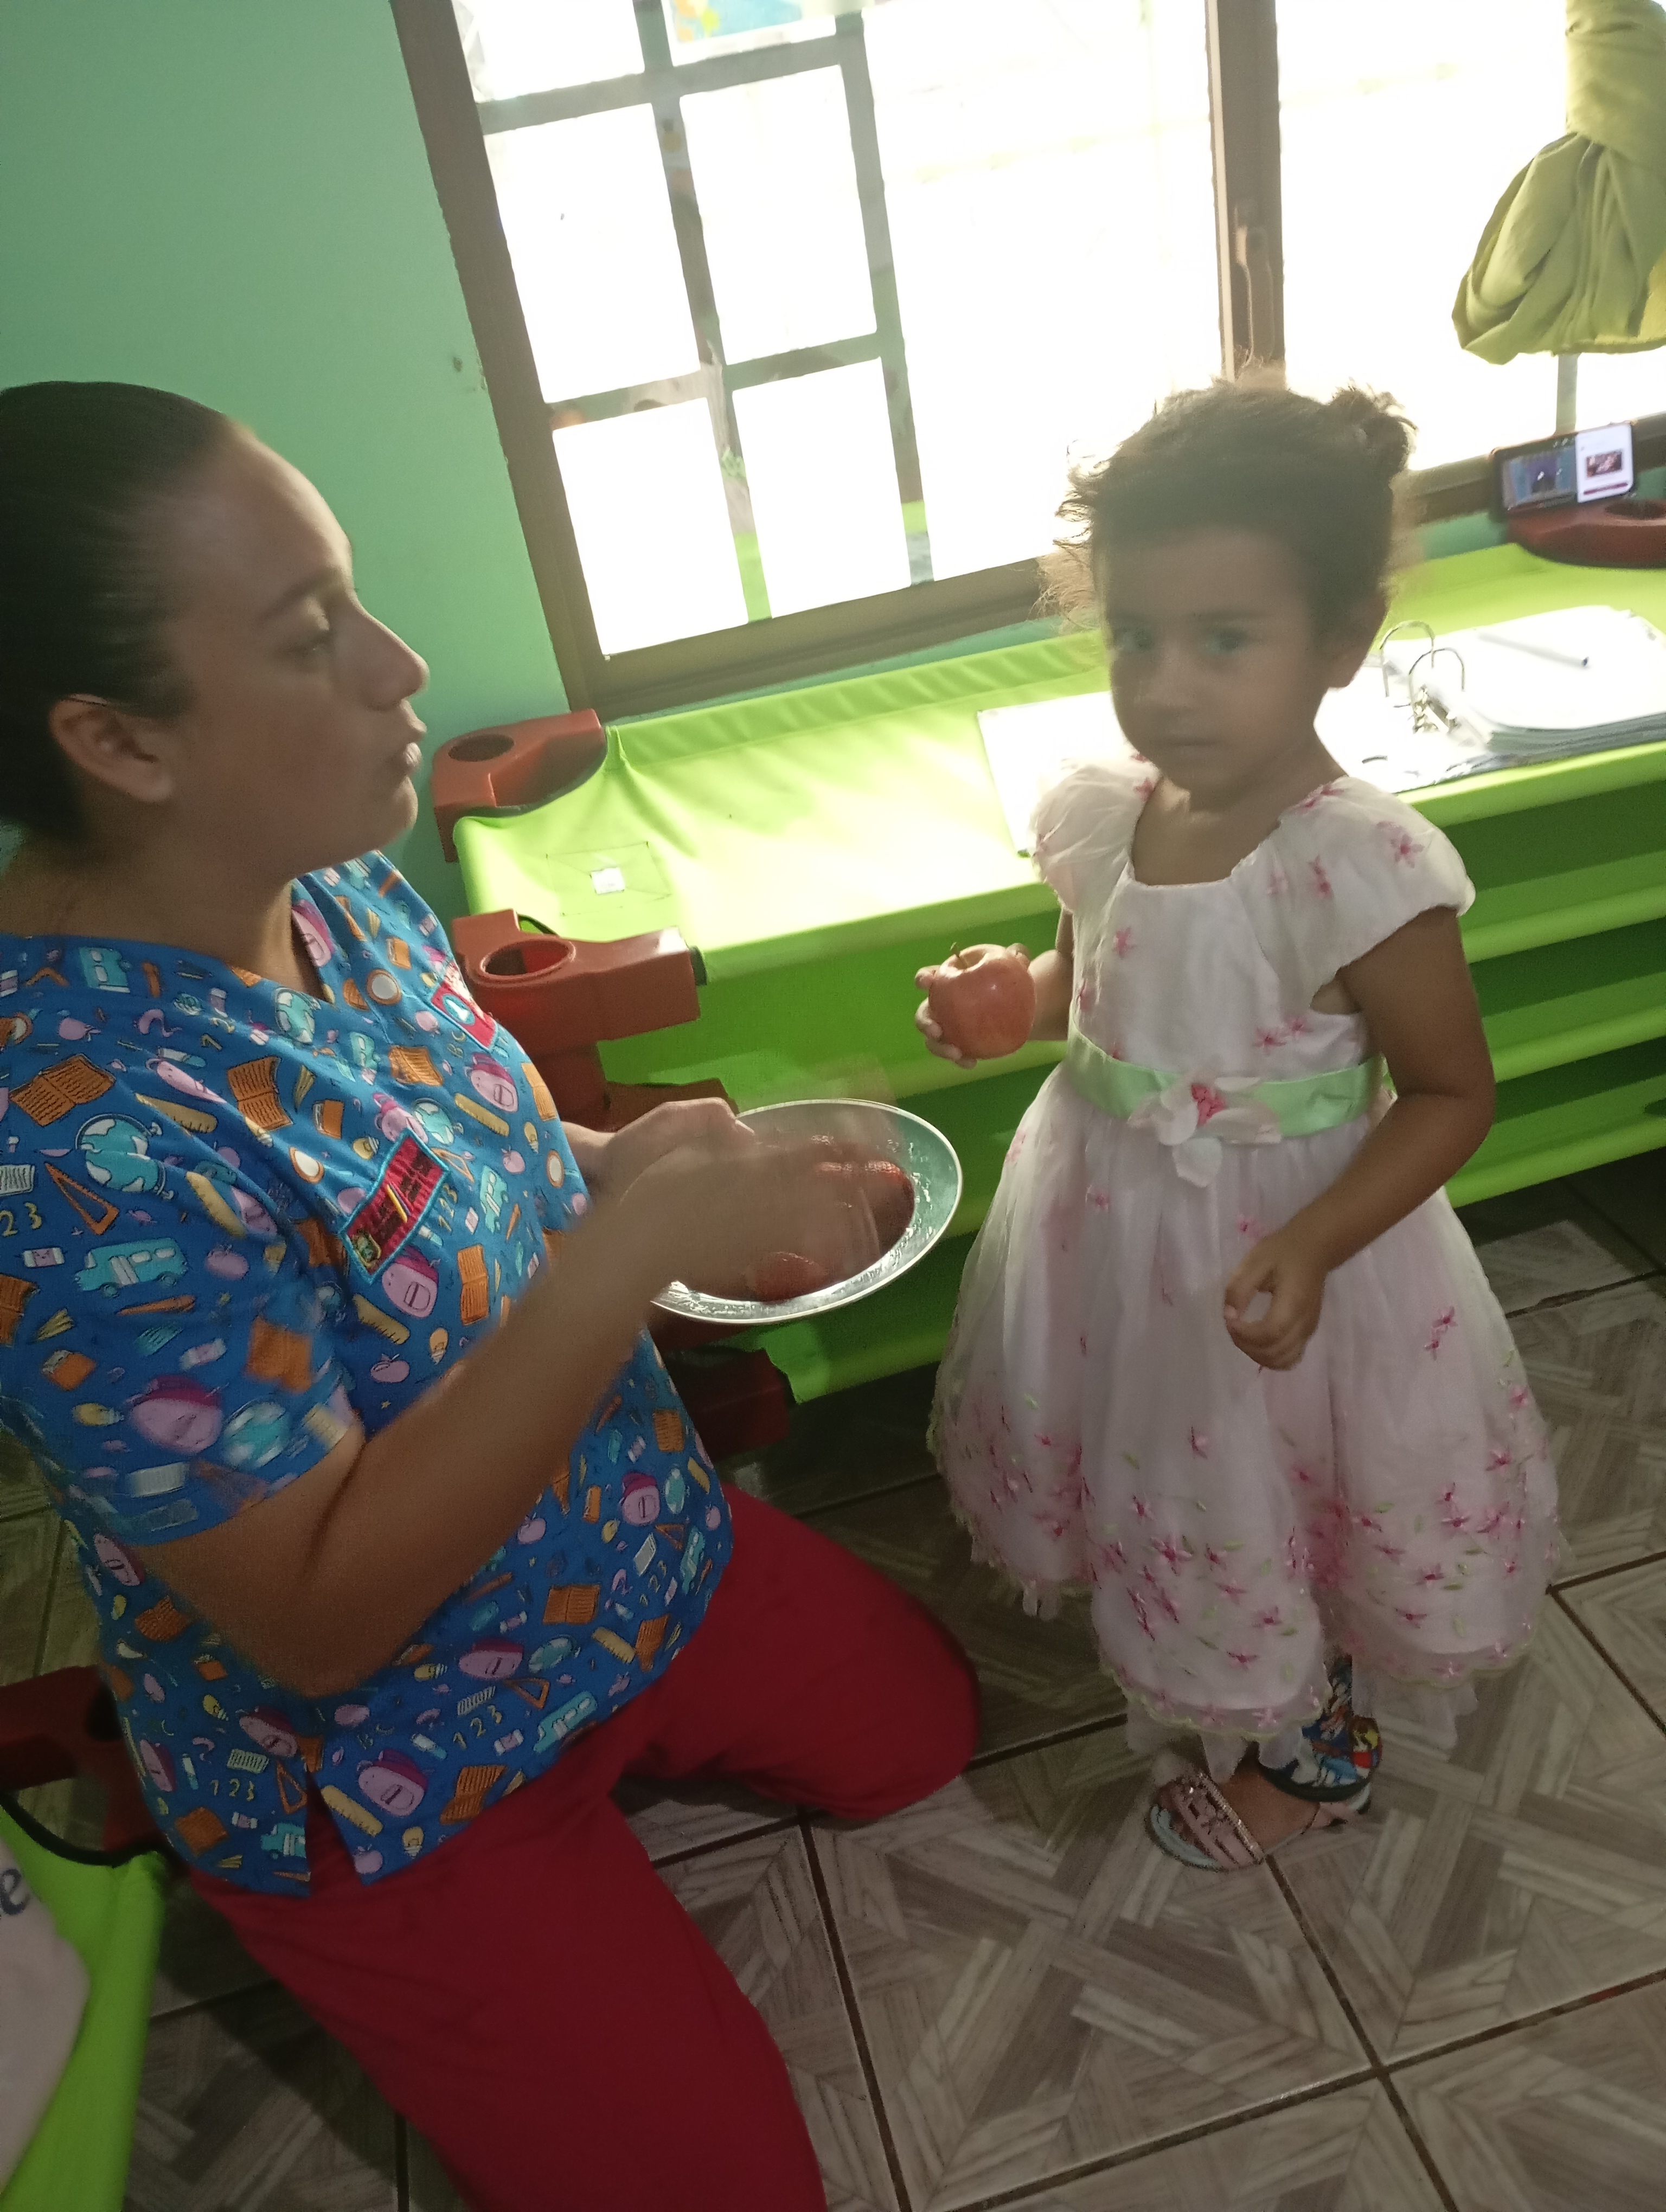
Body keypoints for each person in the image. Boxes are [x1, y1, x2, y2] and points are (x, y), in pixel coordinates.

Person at [0, 380, 978, 2211]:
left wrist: (636, 1169)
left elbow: (469, 1147)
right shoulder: (68, 1157)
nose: (401, 665)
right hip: (394, 1767)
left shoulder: (333, 879)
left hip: (628, 1557)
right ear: (118, 741)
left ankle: (637, 1734)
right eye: (312, 634)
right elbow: (318, 1621)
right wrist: (628, 1252)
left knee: (926, 1730)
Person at [915, 381, 1557, 1871]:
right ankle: (1232, 1666)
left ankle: (1316, 1753)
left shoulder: (1360, 871)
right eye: (1136, 637)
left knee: (1282, 1494)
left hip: (1286, 1247)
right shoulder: (1104, 811)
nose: (1167, 688)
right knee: (1168, 1471)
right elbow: (1098, 972)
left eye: (1224, 641)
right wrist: (1017, 1000)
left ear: (1342, 637)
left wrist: (1318, 1242)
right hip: (1106, 1223)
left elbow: (1452, 1094)